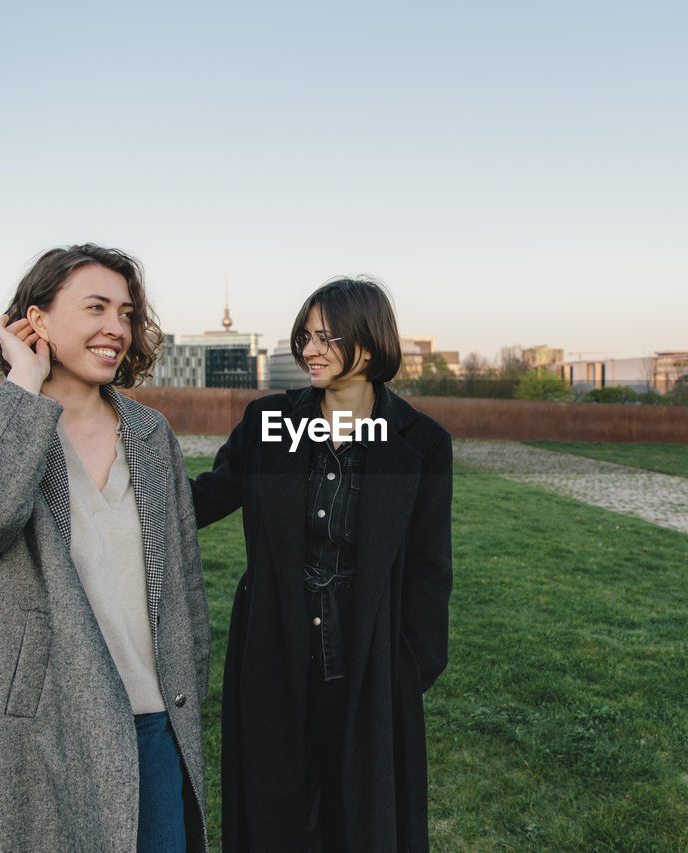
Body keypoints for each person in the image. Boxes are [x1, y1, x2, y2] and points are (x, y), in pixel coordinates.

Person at [0, 244, 212, 852]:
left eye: (126, 313)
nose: (116, 329)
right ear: (38, 320)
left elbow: (182, 578)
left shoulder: (150, 433)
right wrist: (25, 388)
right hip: (34, 720)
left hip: (150, 713)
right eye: (96, 307)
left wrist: (189, 681)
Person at [191, 276, 453, 852]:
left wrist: (410, 669)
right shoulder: (268, 423)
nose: (309, 350)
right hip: (273, 658)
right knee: (274, 819)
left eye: (327, 338)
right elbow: (203, 498)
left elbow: (432, 569)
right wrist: (116, 468)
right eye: (306, 337)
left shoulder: (423, 442)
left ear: (370, 341)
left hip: (368, 667)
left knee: (358, 821)